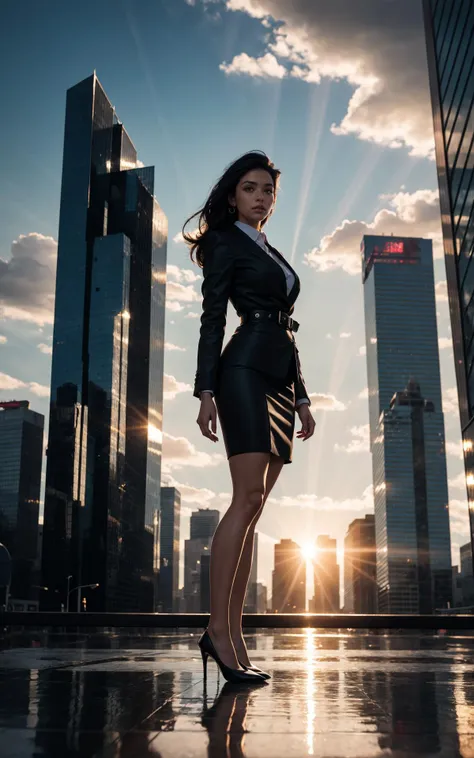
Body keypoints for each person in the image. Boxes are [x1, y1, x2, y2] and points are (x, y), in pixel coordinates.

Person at [183, 151, 315, 684]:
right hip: (240, 371)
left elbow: (288, 325)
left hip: (281, 378)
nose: (261, 197)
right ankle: (218, 630)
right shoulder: (223, 242)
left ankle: (233, 632)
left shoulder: (270, 250)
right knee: (245, 499)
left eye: (268, 191)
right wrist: (205, 388)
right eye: (250, 188)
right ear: (232, 195)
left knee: (257, 507)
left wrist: (302, 395)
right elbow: (212, 317)